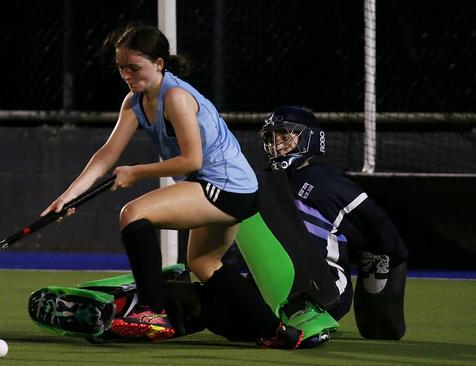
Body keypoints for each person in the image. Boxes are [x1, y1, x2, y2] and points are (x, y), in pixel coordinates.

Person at [41, 25, 299, 347]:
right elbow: (107, 154)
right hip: (230, 188)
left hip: (226, 187)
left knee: (133, 214)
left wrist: (137, 172)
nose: (126, 75)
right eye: (121, 67)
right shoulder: (135, 102)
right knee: (204, 264)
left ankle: (153, 312)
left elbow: (192, 160)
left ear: (159, 64)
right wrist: (68, 197)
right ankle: (277, 332)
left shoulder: (176, 97)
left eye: (134, 67)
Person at [255, 105, 409, 340]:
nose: (276, 144)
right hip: (273, 280)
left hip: (324, 283)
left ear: (310, 139)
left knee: (288, 320)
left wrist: (383, 266)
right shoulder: (262, 182)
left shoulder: (328, 184)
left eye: (285, 136)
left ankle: (311, 324)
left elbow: (382, 232)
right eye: (271, 137)